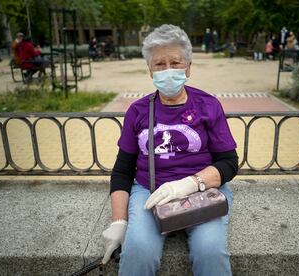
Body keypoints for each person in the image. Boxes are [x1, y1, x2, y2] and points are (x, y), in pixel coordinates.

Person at [101, 24, 238, 276]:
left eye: (175, 63)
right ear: (149, 71)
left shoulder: (207, 105)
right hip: (149, 191)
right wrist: (119, 222)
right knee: (138, 251)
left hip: (202, 190)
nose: (168, 70)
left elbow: (229, 163)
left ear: (188, 67)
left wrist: (188, 184)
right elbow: (122, 170)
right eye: (159, 64)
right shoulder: (138, 111)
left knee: (210, 250)